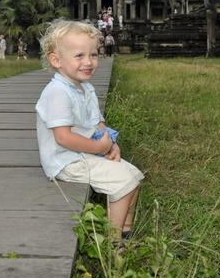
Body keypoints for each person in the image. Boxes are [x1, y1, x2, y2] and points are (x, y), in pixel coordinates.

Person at [35, 19, 143, 241]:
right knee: (125, 182)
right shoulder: (57, 93)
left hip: (84, 152)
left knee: (134, 176)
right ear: (56, 60)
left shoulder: (85, 88)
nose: (89, 62)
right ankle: (113, 240)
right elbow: (63, 138)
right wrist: (98, 147)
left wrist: (111, 144)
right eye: (79, 56)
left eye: (93, 54)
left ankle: (125, 229)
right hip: (65, 161)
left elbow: (97, 123)